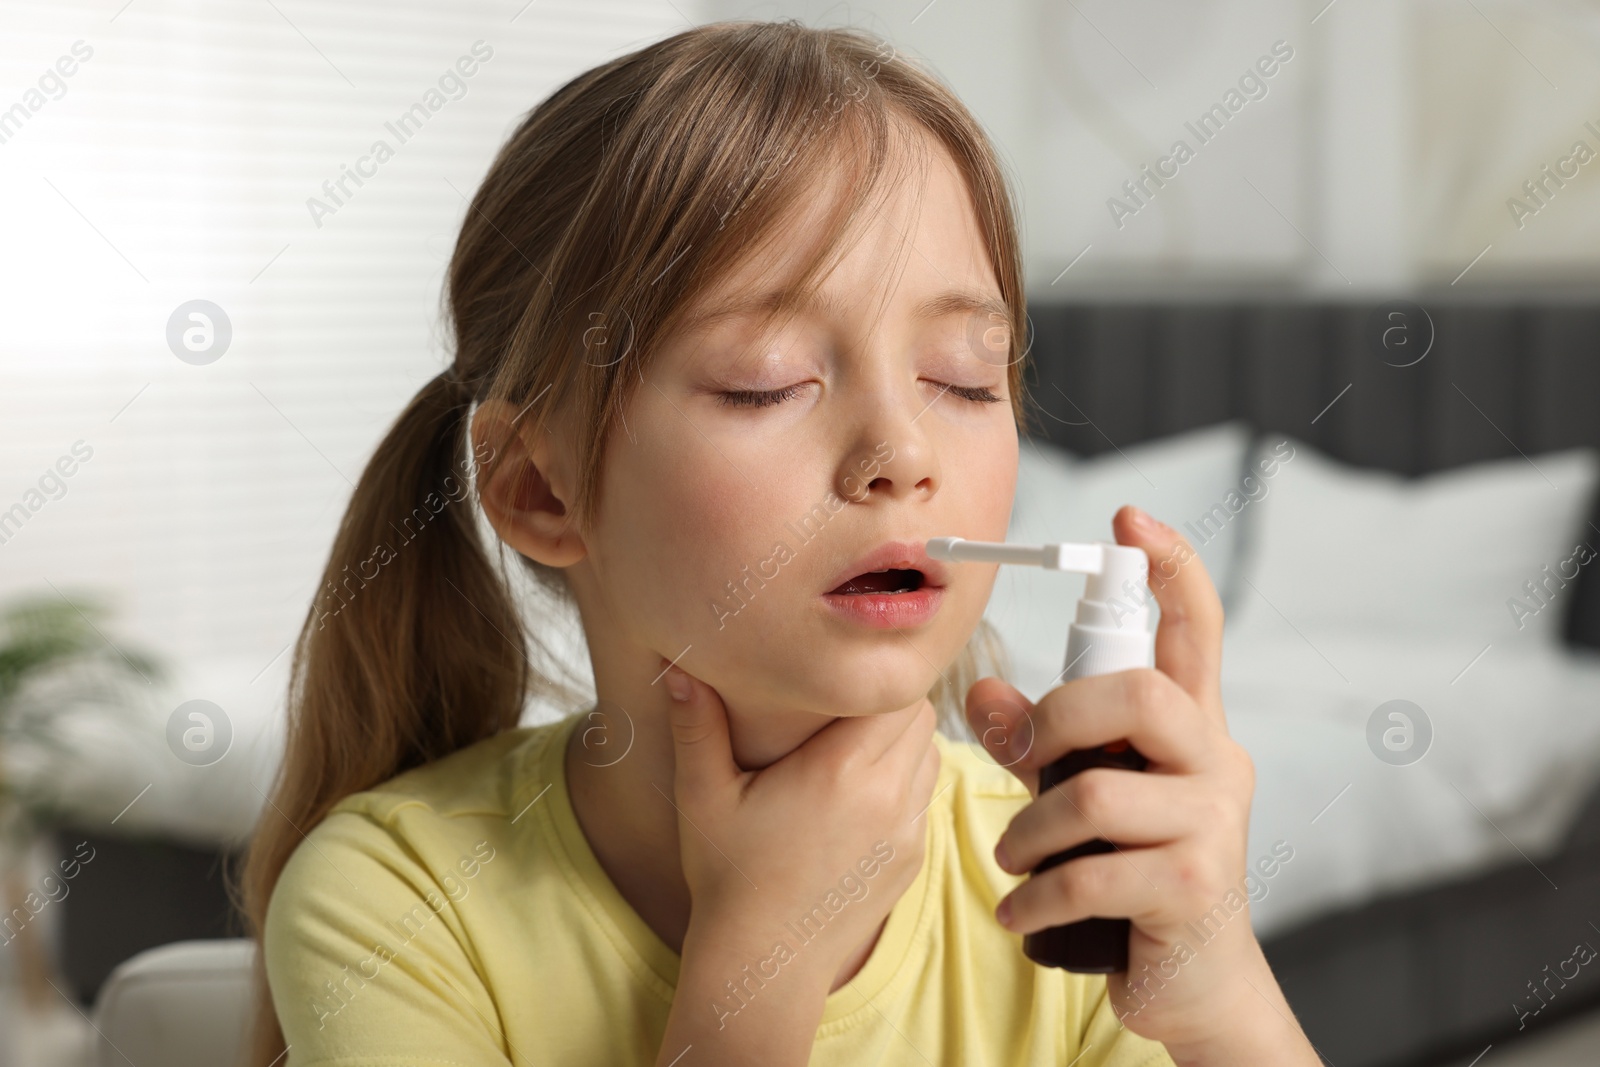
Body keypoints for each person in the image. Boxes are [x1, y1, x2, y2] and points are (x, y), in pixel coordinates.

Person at [240, 19, 1319, 1066]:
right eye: (765, 381)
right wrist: (760, 958)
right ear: (538, 485)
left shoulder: (1058, 875)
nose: (901, 450)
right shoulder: (394, 897)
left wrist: (1222, 1001)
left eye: (960, 377)